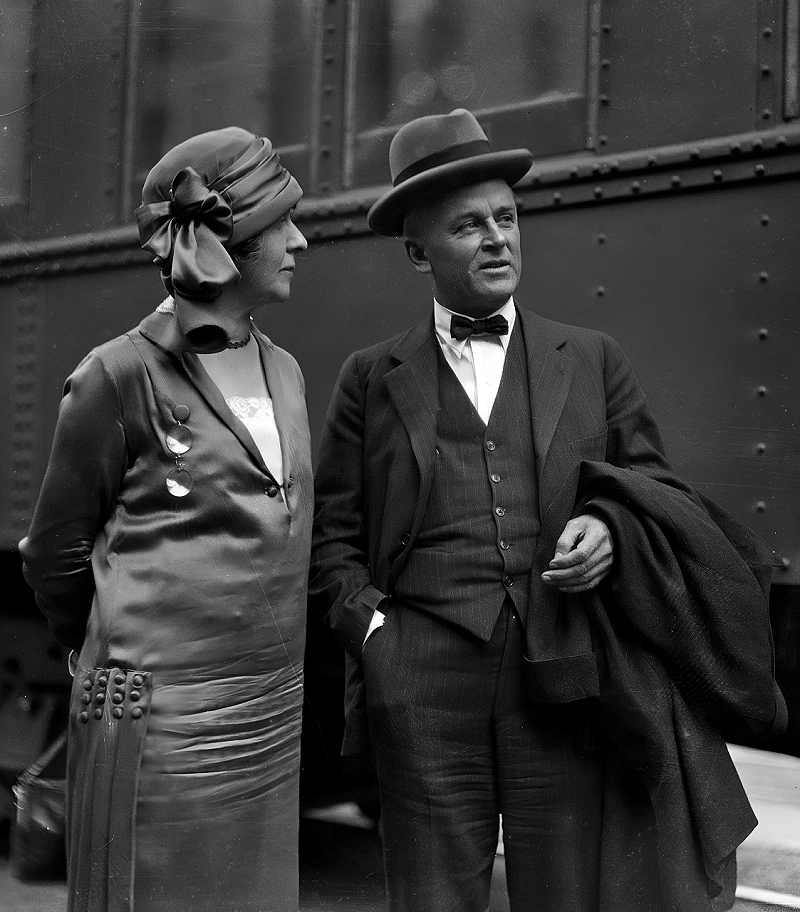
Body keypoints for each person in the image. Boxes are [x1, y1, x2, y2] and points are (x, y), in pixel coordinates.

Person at [309, 108, 786, 912]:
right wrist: (376, 635)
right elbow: (331, 539)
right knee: (429, 899)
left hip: (560, 675)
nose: (498, 238)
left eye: (507, 218)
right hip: (421, 680)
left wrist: (604, 529)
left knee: (564, 897)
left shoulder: (591, 358)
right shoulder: (370, 377)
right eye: (469, 225)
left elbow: (653, 491)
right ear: (418, 250)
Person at [19, 127, 312, 912]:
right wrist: (123, 651)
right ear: (228, 241)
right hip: (166, 735)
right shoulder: (118, 374)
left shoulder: (284, 370)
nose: (300, 240)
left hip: (268, 718)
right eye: (280, 224)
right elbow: (54, 554)